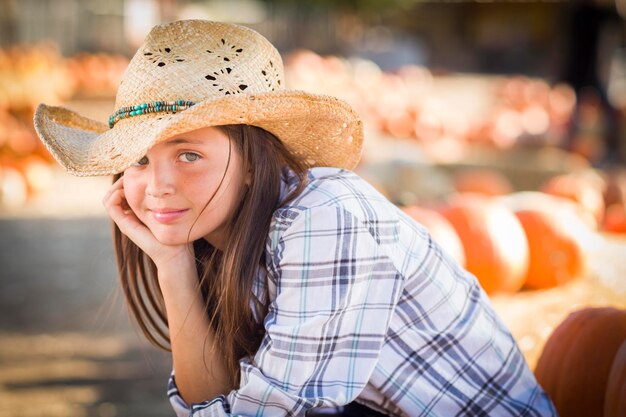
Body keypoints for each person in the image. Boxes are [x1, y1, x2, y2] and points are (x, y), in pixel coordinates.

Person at [33, 20, 556, 417]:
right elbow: (214, 399)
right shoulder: (212, 240)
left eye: (188, 154)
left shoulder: (324, 218)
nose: (158, 184)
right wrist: (172, 263)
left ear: (251, 161)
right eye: (139, 160)